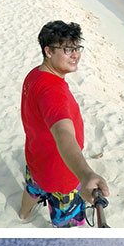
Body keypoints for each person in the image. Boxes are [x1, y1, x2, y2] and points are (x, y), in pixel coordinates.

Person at [20, 20, 109, 228]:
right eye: (68, 49)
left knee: (33, 188)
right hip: (62, 175)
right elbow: (63, 133)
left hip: (36, 159)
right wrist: (85, 174)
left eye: (77, 47)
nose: (75, 54)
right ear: (48, 51)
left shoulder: (35, 74)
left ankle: (23, 214)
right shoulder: (53, 92)